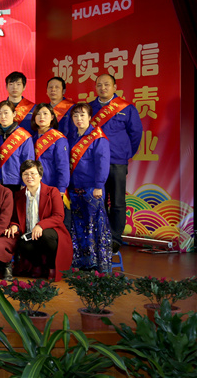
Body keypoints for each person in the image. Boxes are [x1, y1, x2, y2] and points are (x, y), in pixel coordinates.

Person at [90, 73, 142, 251]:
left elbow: (135, 135)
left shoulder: (127, 108)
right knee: (99, 200)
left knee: (118, 201)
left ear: (114, 87)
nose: (103, 88)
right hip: (95, 163)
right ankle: (101, 235)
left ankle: (115, 238)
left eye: (106, 84)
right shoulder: (90, 108)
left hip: (117, 161)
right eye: (99, 85)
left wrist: (125, 153)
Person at [6, 160, 73, 281]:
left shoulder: (52, 192)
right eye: (25, 174)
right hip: (29, 233)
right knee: (21, 242)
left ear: (40, 176)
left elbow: (58, 216)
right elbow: (15, 218)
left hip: (50, 232)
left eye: (33, 173)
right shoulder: (19, 195)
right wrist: (14, 225)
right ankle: (37, 266)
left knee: (46, 235)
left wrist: (41, 225)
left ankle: (52, 267)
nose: (29, 177)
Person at [67, 103, 112, 273]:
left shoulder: (98, 137)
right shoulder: (72, 137)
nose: (79, 119)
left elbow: (102, 163)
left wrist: (99, 185)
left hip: (93, 189)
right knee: (79, 226)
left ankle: (98, 263)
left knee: (95, 226)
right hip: (75, 189)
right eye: (75, 116)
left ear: (90, 117)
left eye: (82, 115)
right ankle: (82, 262)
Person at [30, 103, 71, 226]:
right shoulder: (31, 139)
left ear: (52, 117)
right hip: (34, 187)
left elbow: (63, 166)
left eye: (45, 114)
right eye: (38, 114)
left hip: (53, 187)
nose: (41, 117)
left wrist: (61, 189)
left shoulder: (59, 139)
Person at [0, 100, 34, 192]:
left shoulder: (24, 136)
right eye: (0, 113)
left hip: (16, 182)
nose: (3, 116)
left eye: (6, 113)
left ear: (14, 114)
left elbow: (28, 162)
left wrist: (25, 183)